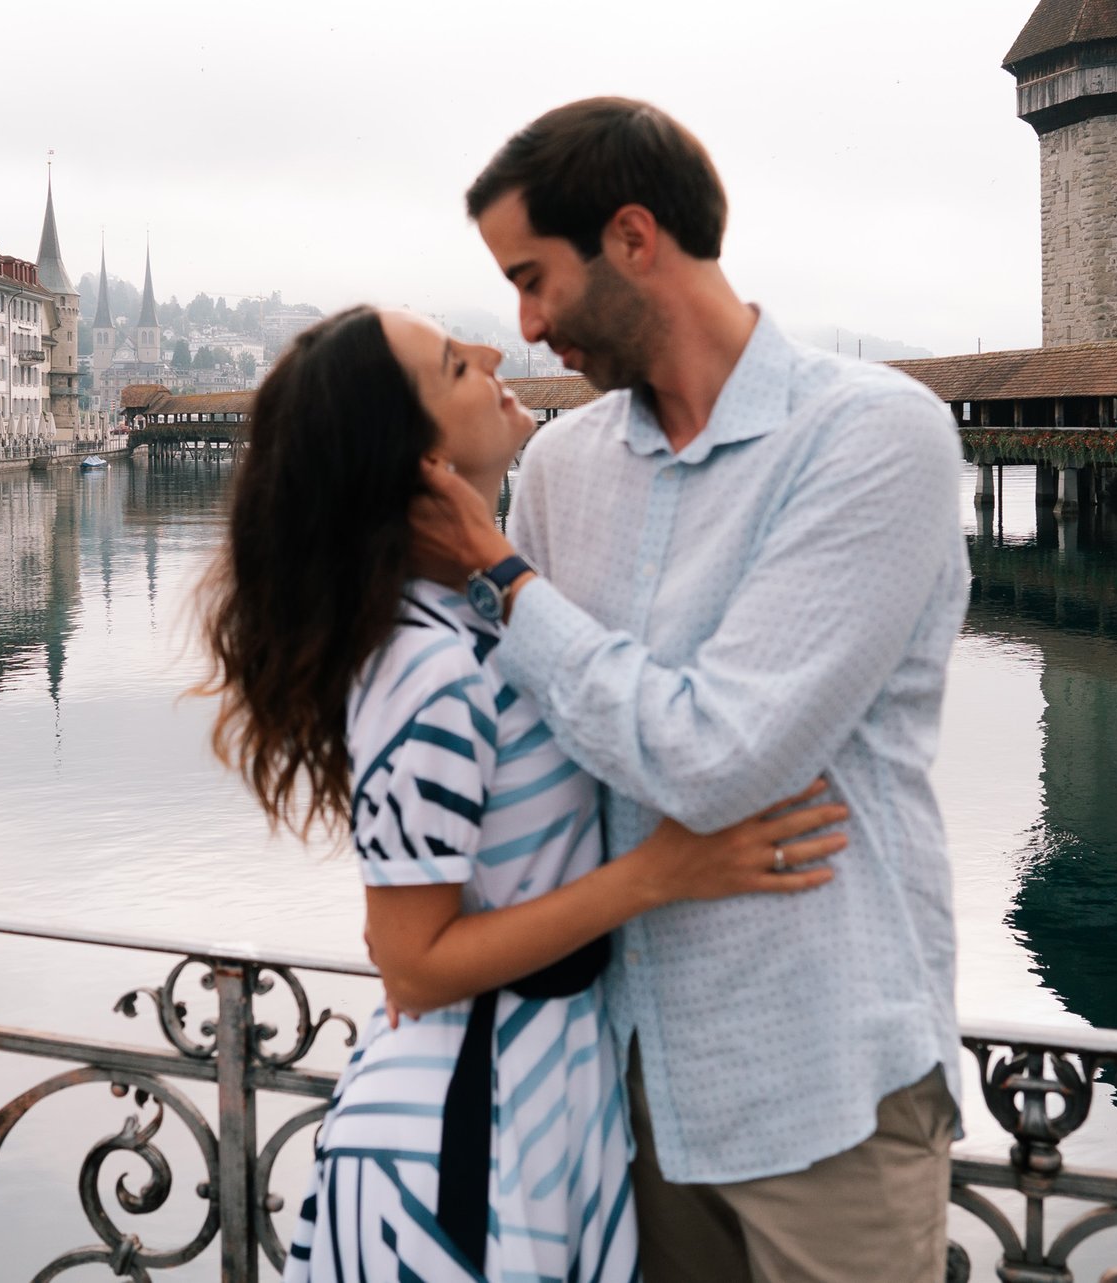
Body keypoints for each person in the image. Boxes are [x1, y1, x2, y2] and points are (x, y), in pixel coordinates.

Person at [409, 97, 971, 1283]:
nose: (522, 324)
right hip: (619, 1087)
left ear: (629, 238)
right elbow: (545, 745)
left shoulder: (872, 435)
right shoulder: (562, 465)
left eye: (532, 276)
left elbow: (717, 759)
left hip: (823, 1088)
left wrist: (503, 576)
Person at [201, 305, 850, 1283]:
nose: (496, 357)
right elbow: (410, 961)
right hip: (456, 1150)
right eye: (458, 364)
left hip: (539, 1104)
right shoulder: (427, 667)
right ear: (414, 454)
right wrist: (659, 874)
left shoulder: (471, 624)